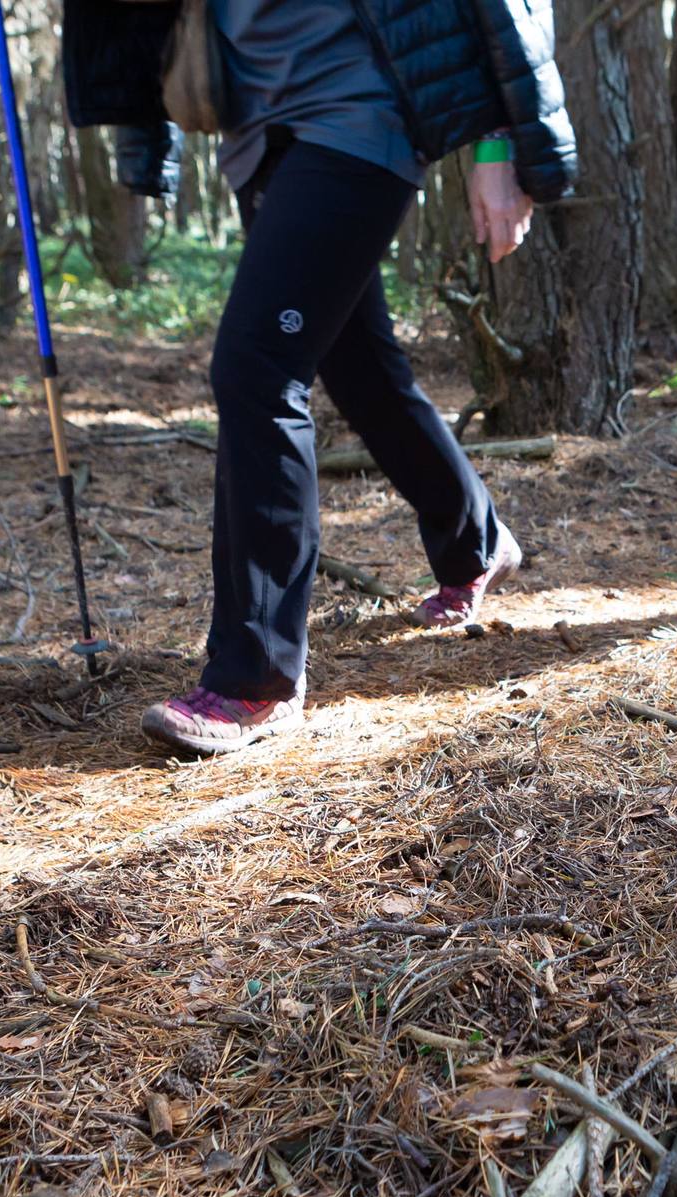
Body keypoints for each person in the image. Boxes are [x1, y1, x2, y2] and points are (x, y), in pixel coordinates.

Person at [65, 0, 576, 755]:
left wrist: (501, 140)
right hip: (255, 127)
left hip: (358, 108)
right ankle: (475, 541)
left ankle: (256, 677)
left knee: (257, 369)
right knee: (356, 364)